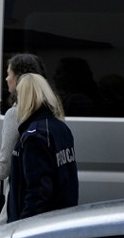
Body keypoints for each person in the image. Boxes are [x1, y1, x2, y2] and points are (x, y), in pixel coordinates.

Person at [7, 73, 78, 222]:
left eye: (18, 97)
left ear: (25, 98)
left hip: (38, 228)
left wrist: (22, 228)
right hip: (61, 220)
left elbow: (38, 193)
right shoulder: (60, 128)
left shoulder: (35, 136)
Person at [0, 54, 47, 226]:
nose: (6, 78)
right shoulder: (48, 108)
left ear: (19, 79)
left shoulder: (15, 113)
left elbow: (5, 165)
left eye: (9, 73)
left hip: (20, 194)